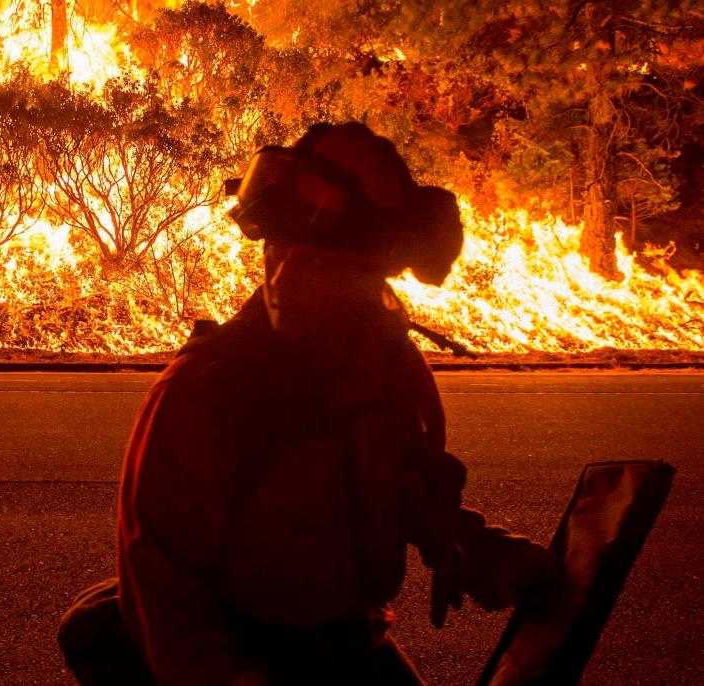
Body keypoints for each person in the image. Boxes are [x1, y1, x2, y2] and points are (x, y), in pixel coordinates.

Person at [59, 122, 560, 685]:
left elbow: (407, 489)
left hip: (342, 643)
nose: (288, 279)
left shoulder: (392, 373)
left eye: (323, 265)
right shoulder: (207, 389)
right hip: (236, 655)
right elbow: (162, 589)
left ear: (376, 273)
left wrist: (486, 554)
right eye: (279, 251)